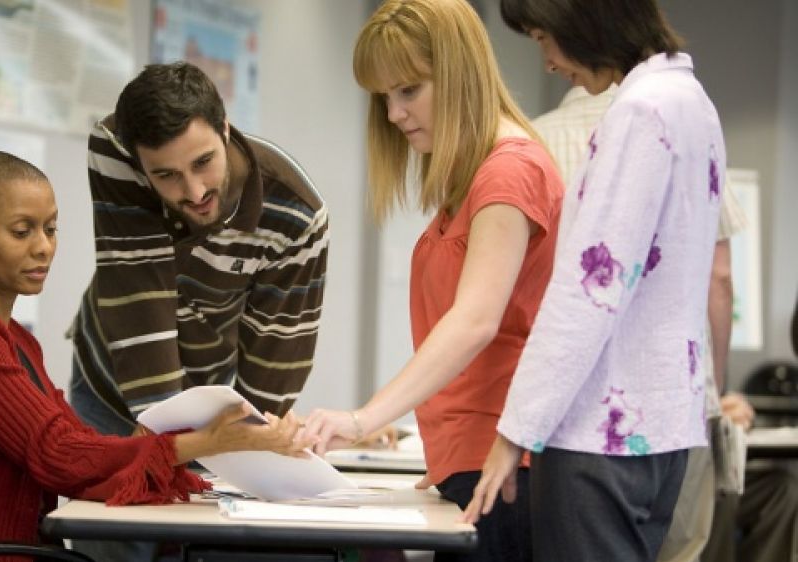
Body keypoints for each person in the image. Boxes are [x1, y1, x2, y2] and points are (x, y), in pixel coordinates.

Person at [0, 150, 309, 562]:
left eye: (51, 228)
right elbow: (58, 454)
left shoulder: (16, 339)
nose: (43, 247)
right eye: (22, 231)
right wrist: (208, 442)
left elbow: (75, 443)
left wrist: (184, 435)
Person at [463, 2, 727, 562]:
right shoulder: (694, 103)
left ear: (584, 19)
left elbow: (588, 290)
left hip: (600, 433)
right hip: (663, 426)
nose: (550, 62)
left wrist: (515, 433)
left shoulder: (640, 111)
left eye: (543, 38)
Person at [301, 1, 565, 561]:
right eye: (383, 98)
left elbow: (474, 321)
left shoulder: (508, 171)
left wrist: (361, 418)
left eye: (408, 91)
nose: (394, 114)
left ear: (458, 72)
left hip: (504, 465)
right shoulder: (473, 177)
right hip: (467, 460)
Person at [66, 61, 328, 560]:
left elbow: (279, 350)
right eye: (165, 175)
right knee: (115, 547)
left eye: (203, 162)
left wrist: (249, 436)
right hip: (111, 377)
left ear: (225, 128)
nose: (193, 191)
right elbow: (137, 283)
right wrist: (161, 446)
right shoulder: (114, 147)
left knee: (209, 543)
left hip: (209, 393)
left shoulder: (296, 213)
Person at [532, 85, 749, 562]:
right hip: (676, 404)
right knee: (679, 553)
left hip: (572, 414)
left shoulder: (534, 141)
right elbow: (720, 276)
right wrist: (716, 384)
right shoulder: (688, 133)